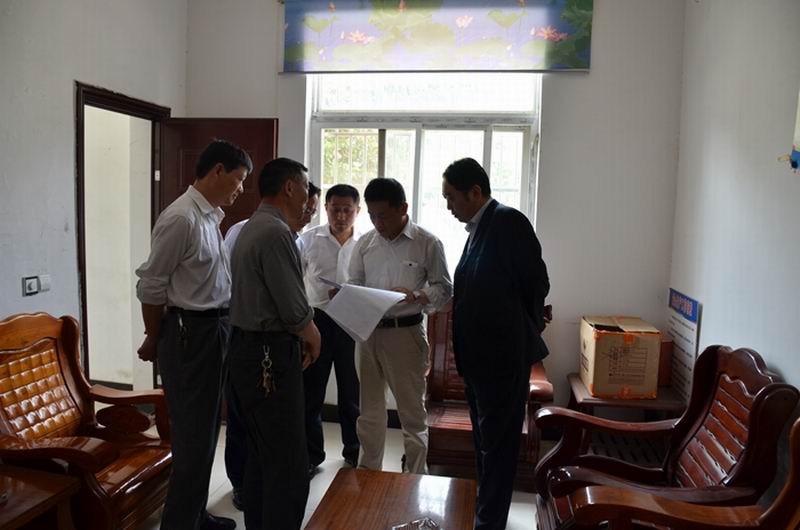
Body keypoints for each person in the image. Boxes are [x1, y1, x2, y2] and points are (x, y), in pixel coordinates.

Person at [135, 139, 252, 530]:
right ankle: (180, 523)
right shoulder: (181, 218)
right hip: (190, 333)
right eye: (238, 179)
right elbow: (152, 285)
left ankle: (195, 515)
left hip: (215, 328)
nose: (240, 189)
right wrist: (153, 336)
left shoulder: (210, 216)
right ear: (217, 170)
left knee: (207, 430)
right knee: (192, 437)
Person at [441, 157, 550, 530]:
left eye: (452, 197)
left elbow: (537, 283)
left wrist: (520, 330)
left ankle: (490, 523)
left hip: (502, 361)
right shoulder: (477, 229)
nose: (448, 206)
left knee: (499, 448)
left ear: (475, 192)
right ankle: (483, 513)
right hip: (478, 363)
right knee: (486, 445)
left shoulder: (507, 222)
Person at [227, 157, 322, 530]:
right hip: (268, 353)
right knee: (287, 461)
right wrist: (313, 335)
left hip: (248, 348)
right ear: (289, 187)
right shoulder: (276, 232)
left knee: (261, 453)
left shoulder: (252, 226)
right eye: (305, 188)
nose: (307, 198)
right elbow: (293, 307)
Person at [348, 177, 452, 474]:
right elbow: (354, 282)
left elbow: (444, 288)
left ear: (403, 208)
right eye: (372, 216)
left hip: (405, 334)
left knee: (411, 413)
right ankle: (369, 472)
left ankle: (416, 475)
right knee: (369, 411)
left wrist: (418, 295)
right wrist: (344, 293)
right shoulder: (365, 243)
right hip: (369, 333)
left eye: (383, 215)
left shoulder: (427, 242)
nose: (377, 223)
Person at [299, 184, 362, 477]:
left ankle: (354, 452)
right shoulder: (307, 240)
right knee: (311, 392)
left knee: (352, 393)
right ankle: (311, 456)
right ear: (326, 209)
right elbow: (295, 283)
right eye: (335, 209)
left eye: (347, 210)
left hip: (352, 323)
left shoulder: (366, 243)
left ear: (357, 211)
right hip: (317, 322)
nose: (341, 216)